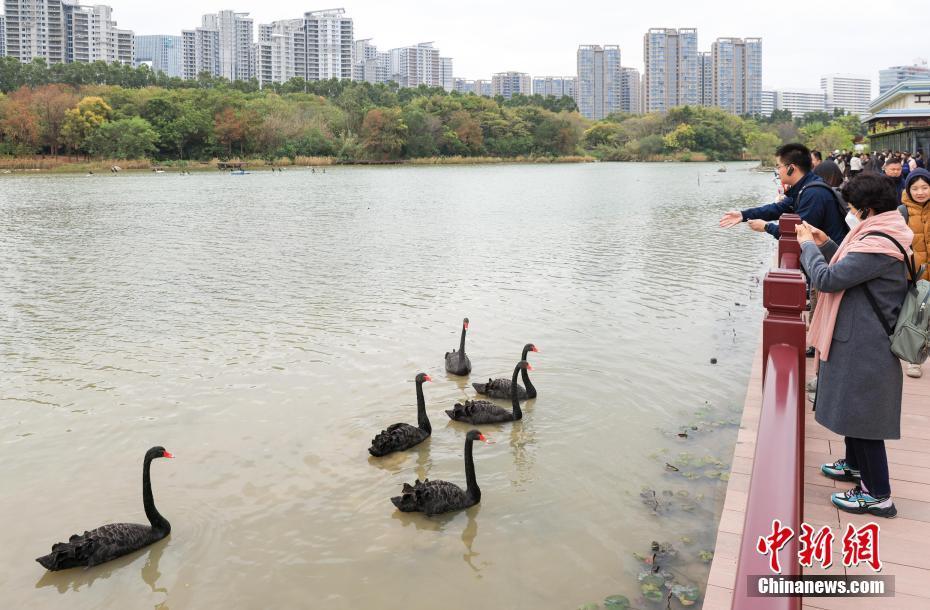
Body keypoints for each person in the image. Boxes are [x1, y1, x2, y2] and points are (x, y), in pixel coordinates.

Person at [797, 172, 913, 518]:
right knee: (853, 407)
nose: (849, 212)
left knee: (863, 416)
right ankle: (854, 466)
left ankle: (878, 495)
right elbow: (851, 270)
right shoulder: (882, 233)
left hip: (866, 342)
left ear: (866, 209)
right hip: (859, 334)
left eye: (852, 207)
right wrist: (824, 243)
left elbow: (828, 279)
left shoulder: (878, 242)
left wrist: (806, 247)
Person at [719, 143, 848, 244]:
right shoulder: (803, 187)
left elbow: (801, 233)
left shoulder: (814, 193)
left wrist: (766, 227)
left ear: (791, 168)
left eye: (779, 166)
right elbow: (776, 208)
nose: (777, 171)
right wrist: (743, 215)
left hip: (832, 261)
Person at [901, 168, 930, 378]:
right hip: (915, 273)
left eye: (925, 187)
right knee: (917, 317)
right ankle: (914, 360)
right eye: (915, 188)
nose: (920, 192)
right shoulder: (901, 212)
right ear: (908, 190)